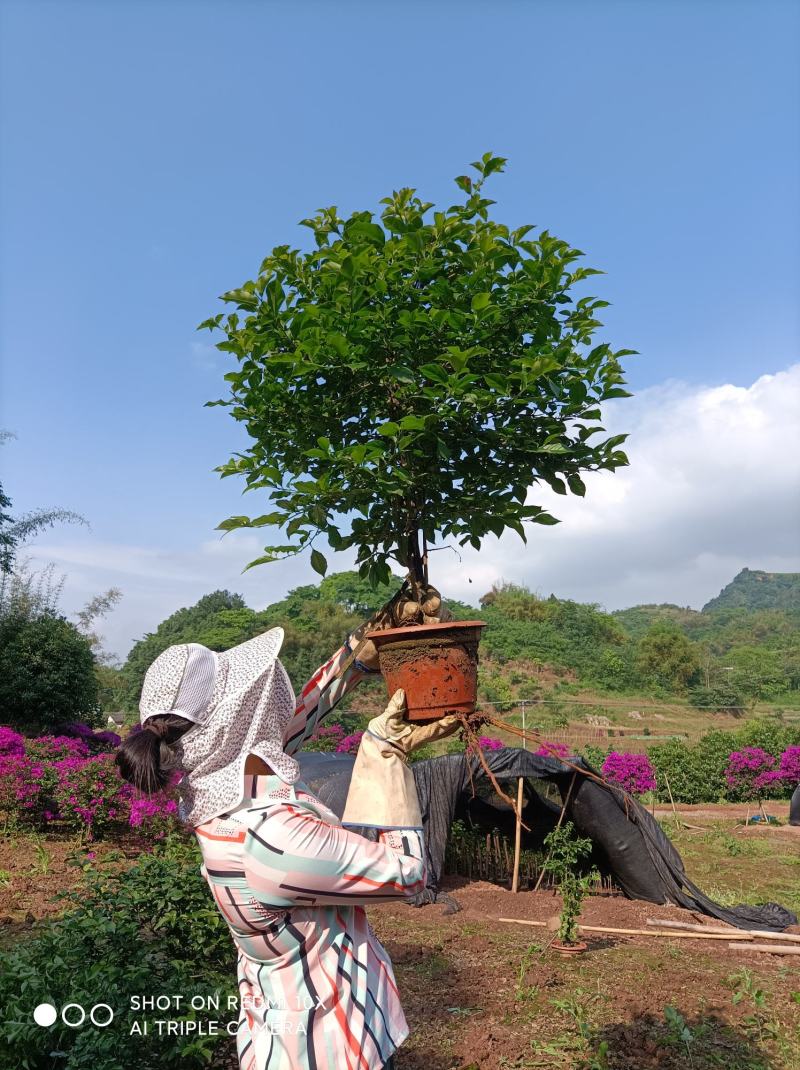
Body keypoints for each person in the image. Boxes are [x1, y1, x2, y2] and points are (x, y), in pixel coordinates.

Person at [115, 590, 459, 1070]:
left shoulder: (218, 784)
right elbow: (408, 872)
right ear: (238, 720)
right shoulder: (270, 837)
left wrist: (354, 657)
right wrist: (385, 755)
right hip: (330, 1050)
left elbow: (285, 728)